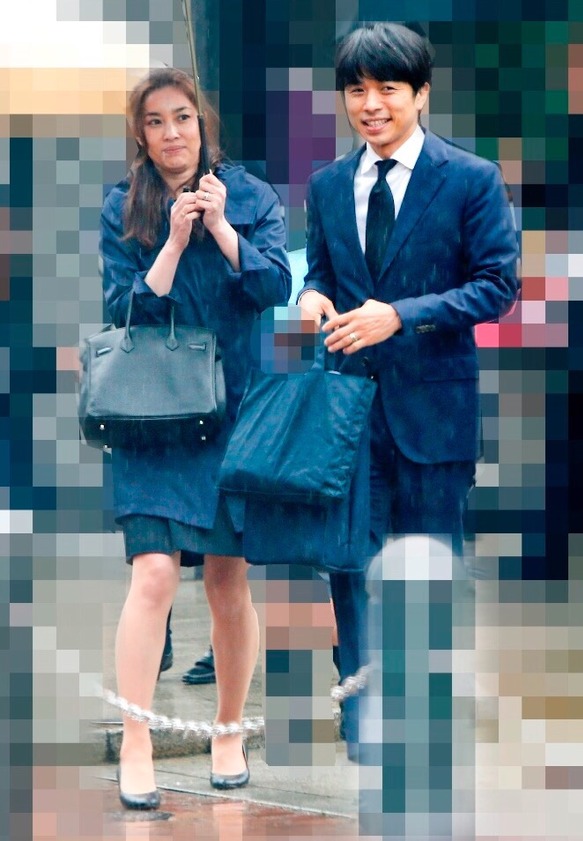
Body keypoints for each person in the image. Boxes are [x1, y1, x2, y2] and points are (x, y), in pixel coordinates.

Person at [298, 21, 519, 773]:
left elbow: (497, 285)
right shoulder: (328, 186)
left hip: (434, 413)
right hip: (347, 414)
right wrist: (312, 296)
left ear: (421, 94)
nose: (371, 104)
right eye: (357, 89)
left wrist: (402, 314)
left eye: (388, 88)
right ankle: (363, 713)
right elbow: (321, 272)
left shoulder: (470, 179)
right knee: (352, 566)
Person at [101, 67, 291, 810]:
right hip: (152, 415)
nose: (171, 133)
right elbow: (124, 307)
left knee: (225, 578)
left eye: (182, 117)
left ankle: (229, 730)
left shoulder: (249, 195)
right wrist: (175, 241)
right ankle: (137, 740)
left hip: (233, 409)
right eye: (155, 122)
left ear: (202, 123)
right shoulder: (124, 204)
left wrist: (220, 229)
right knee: (152, 572)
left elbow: (272, 286)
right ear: (140, 135)